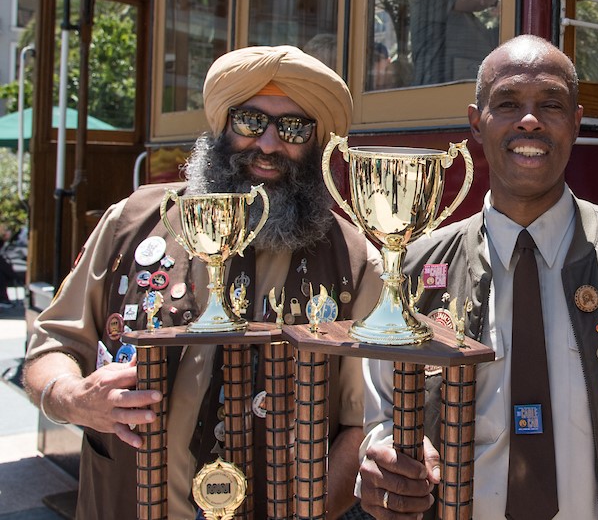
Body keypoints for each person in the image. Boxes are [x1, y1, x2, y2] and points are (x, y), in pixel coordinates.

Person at [23, 45, 382, 520]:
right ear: (222, 125)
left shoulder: (354, 262)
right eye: (250, 121)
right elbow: (50, 348)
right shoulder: (132, 222)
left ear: (318, 145)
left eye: (294, 128)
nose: (268, 145)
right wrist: (73, 398)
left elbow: (363, 428)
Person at [357, 35, 598, 519]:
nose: (529, 120)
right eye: (508, 103)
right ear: (476, 123)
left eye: (550, 104)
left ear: (576, 123)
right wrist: (384, 460)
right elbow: (380, 419)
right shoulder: (411, 273)